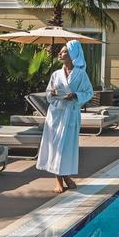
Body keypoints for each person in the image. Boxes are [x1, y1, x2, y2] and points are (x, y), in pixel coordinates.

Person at [36, 40, 94, 193]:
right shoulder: (56, 74)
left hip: (71, 115)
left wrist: (75, 95)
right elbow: (49, 94)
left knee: (67, 149)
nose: (59, 54)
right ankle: (58, 181)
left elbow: (89, 93)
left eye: (63, 52)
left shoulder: (81, 74)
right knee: (56, 147)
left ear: (73, 55)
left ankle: (66, 177)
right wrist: (52, 93)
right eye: (60, 52)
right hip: (56, 115)